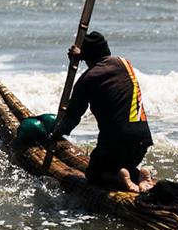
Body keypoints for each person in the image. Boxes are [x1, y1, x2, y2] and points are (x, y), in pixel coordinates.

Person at [54, 31, 155, 192]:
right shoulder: (124, 63)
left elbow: (72, 118)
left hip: (116, 142)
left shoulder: (86, 79)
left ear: (87, 57)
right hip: (142, 140)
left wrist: (55, 135)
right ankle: (141, 175)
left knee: (94, 174)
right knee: (124, 164)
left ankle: (118, 178)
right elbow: (98, 59)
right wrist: (83, 55)